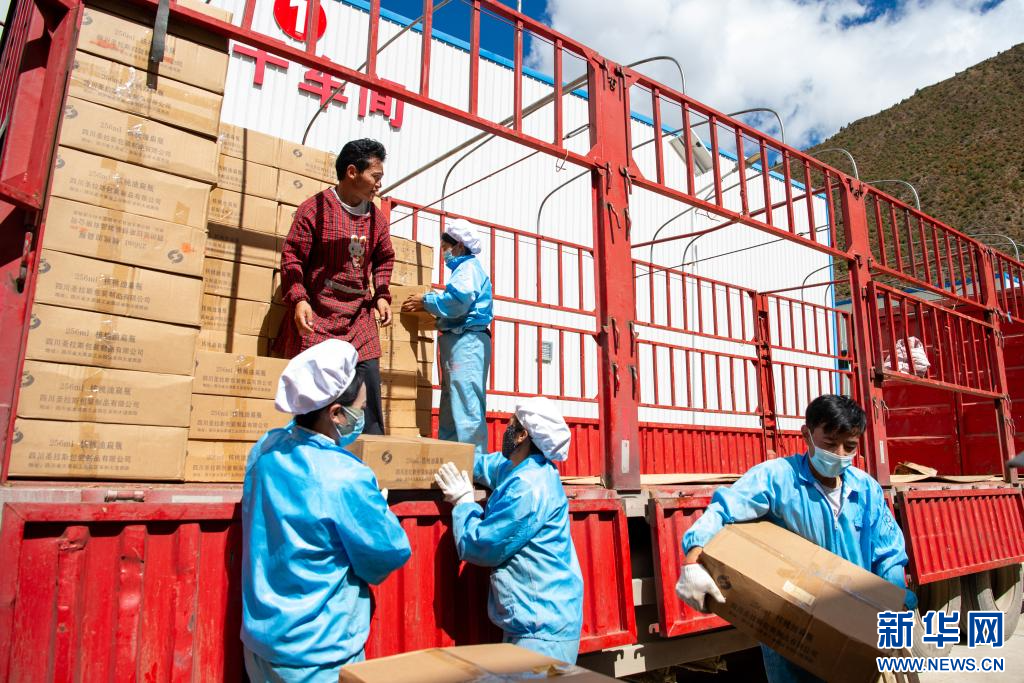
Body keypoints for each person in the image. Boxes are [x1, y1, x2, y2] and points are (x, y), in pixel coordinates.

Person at [675, 394, 917, 683]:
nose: (839, 453)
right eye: (830, 443)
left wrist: (896, 602)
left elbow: (888, 553)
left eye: (849, 446)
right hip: (793, 629)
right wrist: (692, 559)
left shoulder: (866, 490)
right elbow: (723, 510)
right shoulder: (777, 478)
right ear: (807, 435)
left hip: (855, 620)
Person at [241, 339, 411, 682]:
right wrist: (375, 508)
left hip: (261, 646)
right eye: (360, 409)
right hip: (319, 654)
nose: (362, 418)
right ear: (336, 414)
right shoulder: (346, 475)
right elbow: (388, 552)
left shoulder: (266, 448)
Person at [433, 396, 584, 663]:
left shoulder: (528, 487)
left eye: (510, 424)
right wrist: (447, 458)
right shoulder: (524, 468)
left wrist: (464, 503)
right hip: (538, 624)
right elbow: (488, 466)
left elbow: (482, 545)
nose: (506, 429)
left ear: (522, 435)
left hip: (541, 633)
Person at [276, 138, 395, 435]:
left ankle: (371, 451)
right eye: (375, 176)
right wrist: (299, 299)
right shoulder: (314, 210)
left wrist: (381, 294)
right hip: (319, 313)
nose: (379, 184)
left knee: (368, 380)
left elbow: (384, 258)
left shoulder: (377, 219)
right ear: (352, 172)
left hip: (358, 315)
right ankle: (310, 446)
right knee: (315, 391)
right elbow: (292, 257)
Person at [402, 219, 493, 451]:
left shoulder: (468, 269)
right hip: (458, 342)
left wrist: (426, 301)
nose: (444, 254)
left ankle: (473, 461)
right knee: (453, 401)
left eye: (445, 248)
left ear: (459, 246)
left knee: (466, 402)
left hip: (468, 342)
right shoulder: (462, 271)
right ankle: (452, 456)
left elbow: (458, 301)